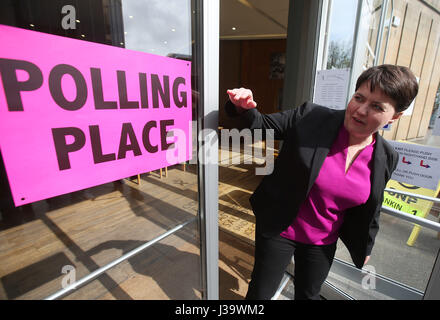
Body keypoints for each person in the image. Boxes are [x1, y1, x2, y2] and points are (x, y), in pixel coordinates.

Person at [225, 64, 418, 300]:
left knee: (310, 295)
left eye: (377, 106)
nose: (360, 110)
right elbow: (260, 126)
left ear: (395, 116)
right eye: (359, 97)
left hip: (323, 240)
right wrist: (243, 106)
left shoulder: (386, 156)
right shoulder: (311, 117)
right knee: (260, 294)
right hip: (281, 229)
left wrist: (366, 246)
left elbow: (374, 205)